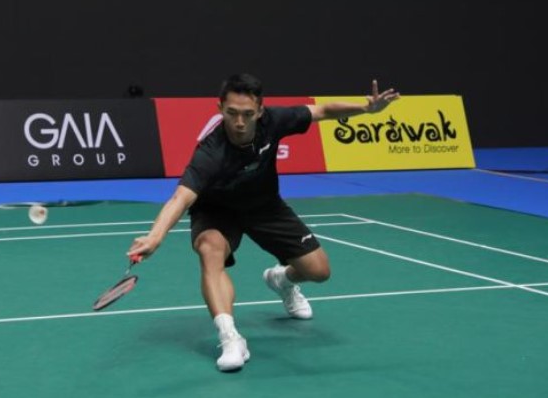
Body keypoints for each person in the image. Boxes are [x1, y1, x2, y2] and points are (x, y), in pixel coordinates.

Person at [127, 73, 399, 372]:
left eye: (246, 114)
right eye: (231, 113)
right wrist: (155, 236)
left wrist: (365, 109)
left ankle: (282, 280)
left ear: (260, 110)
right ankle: (230, 338)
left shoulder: (274, 121)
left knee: (319, 271)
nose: (239, 122)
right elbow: (180, 198)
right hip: (217, 211)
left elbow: (321, 111)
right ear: (220, 108)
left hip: (264, 206)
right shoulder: (210, 152)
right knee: (210, 251)